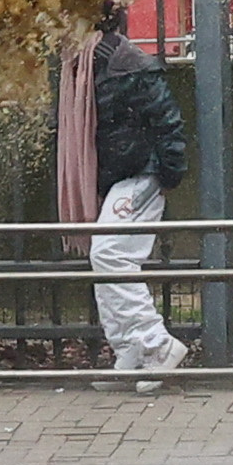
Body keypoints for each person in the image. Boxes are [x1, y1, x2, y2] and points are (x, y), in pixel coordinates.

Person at [58, 22, 192, 388]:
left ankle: (155, 343)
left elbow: (166, 119)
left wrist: (166, 173)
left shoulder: (118, 62)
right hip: (127, 172)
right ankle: (131, 350)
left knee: (110, 254)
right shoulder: (88, 63)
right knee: (108, 258)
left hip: (141, 171)